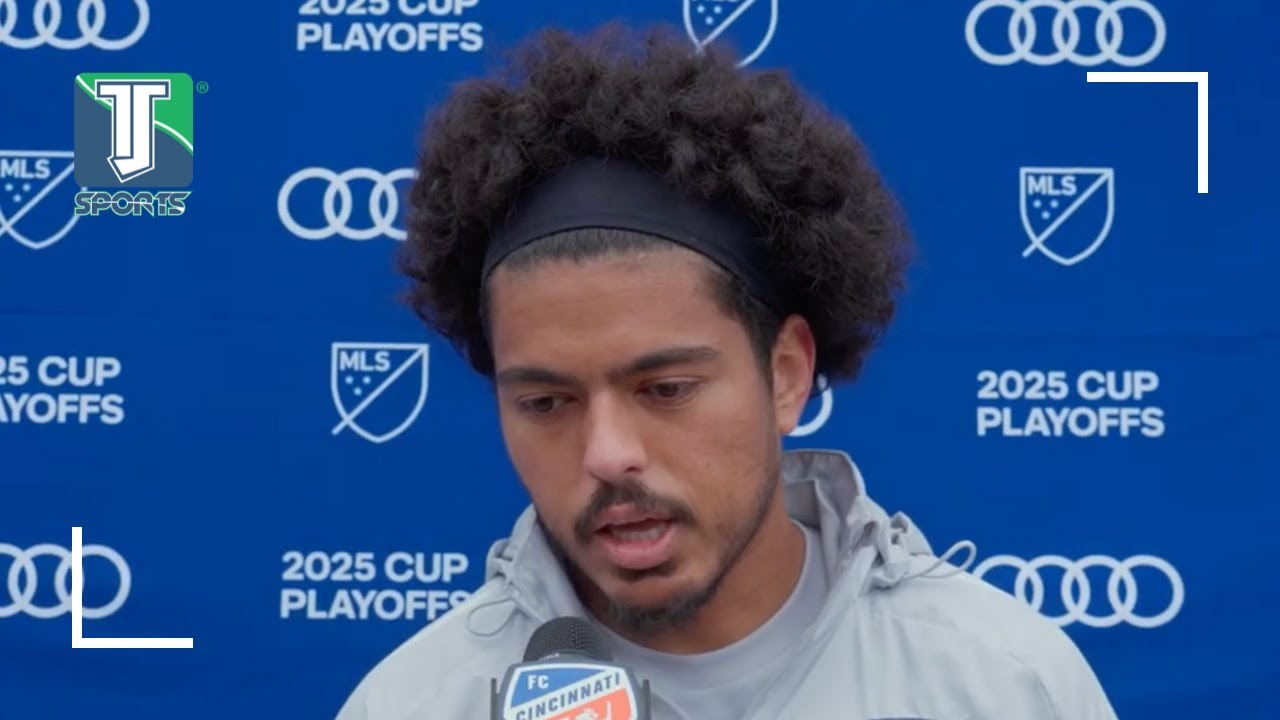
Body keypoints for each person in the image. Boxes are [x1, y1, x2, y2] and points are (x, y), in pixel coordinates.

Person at [336, 24, 1117, 720]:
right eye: (546, 402)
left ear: (786, 374)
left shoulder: (1002, 682)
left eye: (666, 390)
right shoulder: (415, 704)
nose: (607, 454)